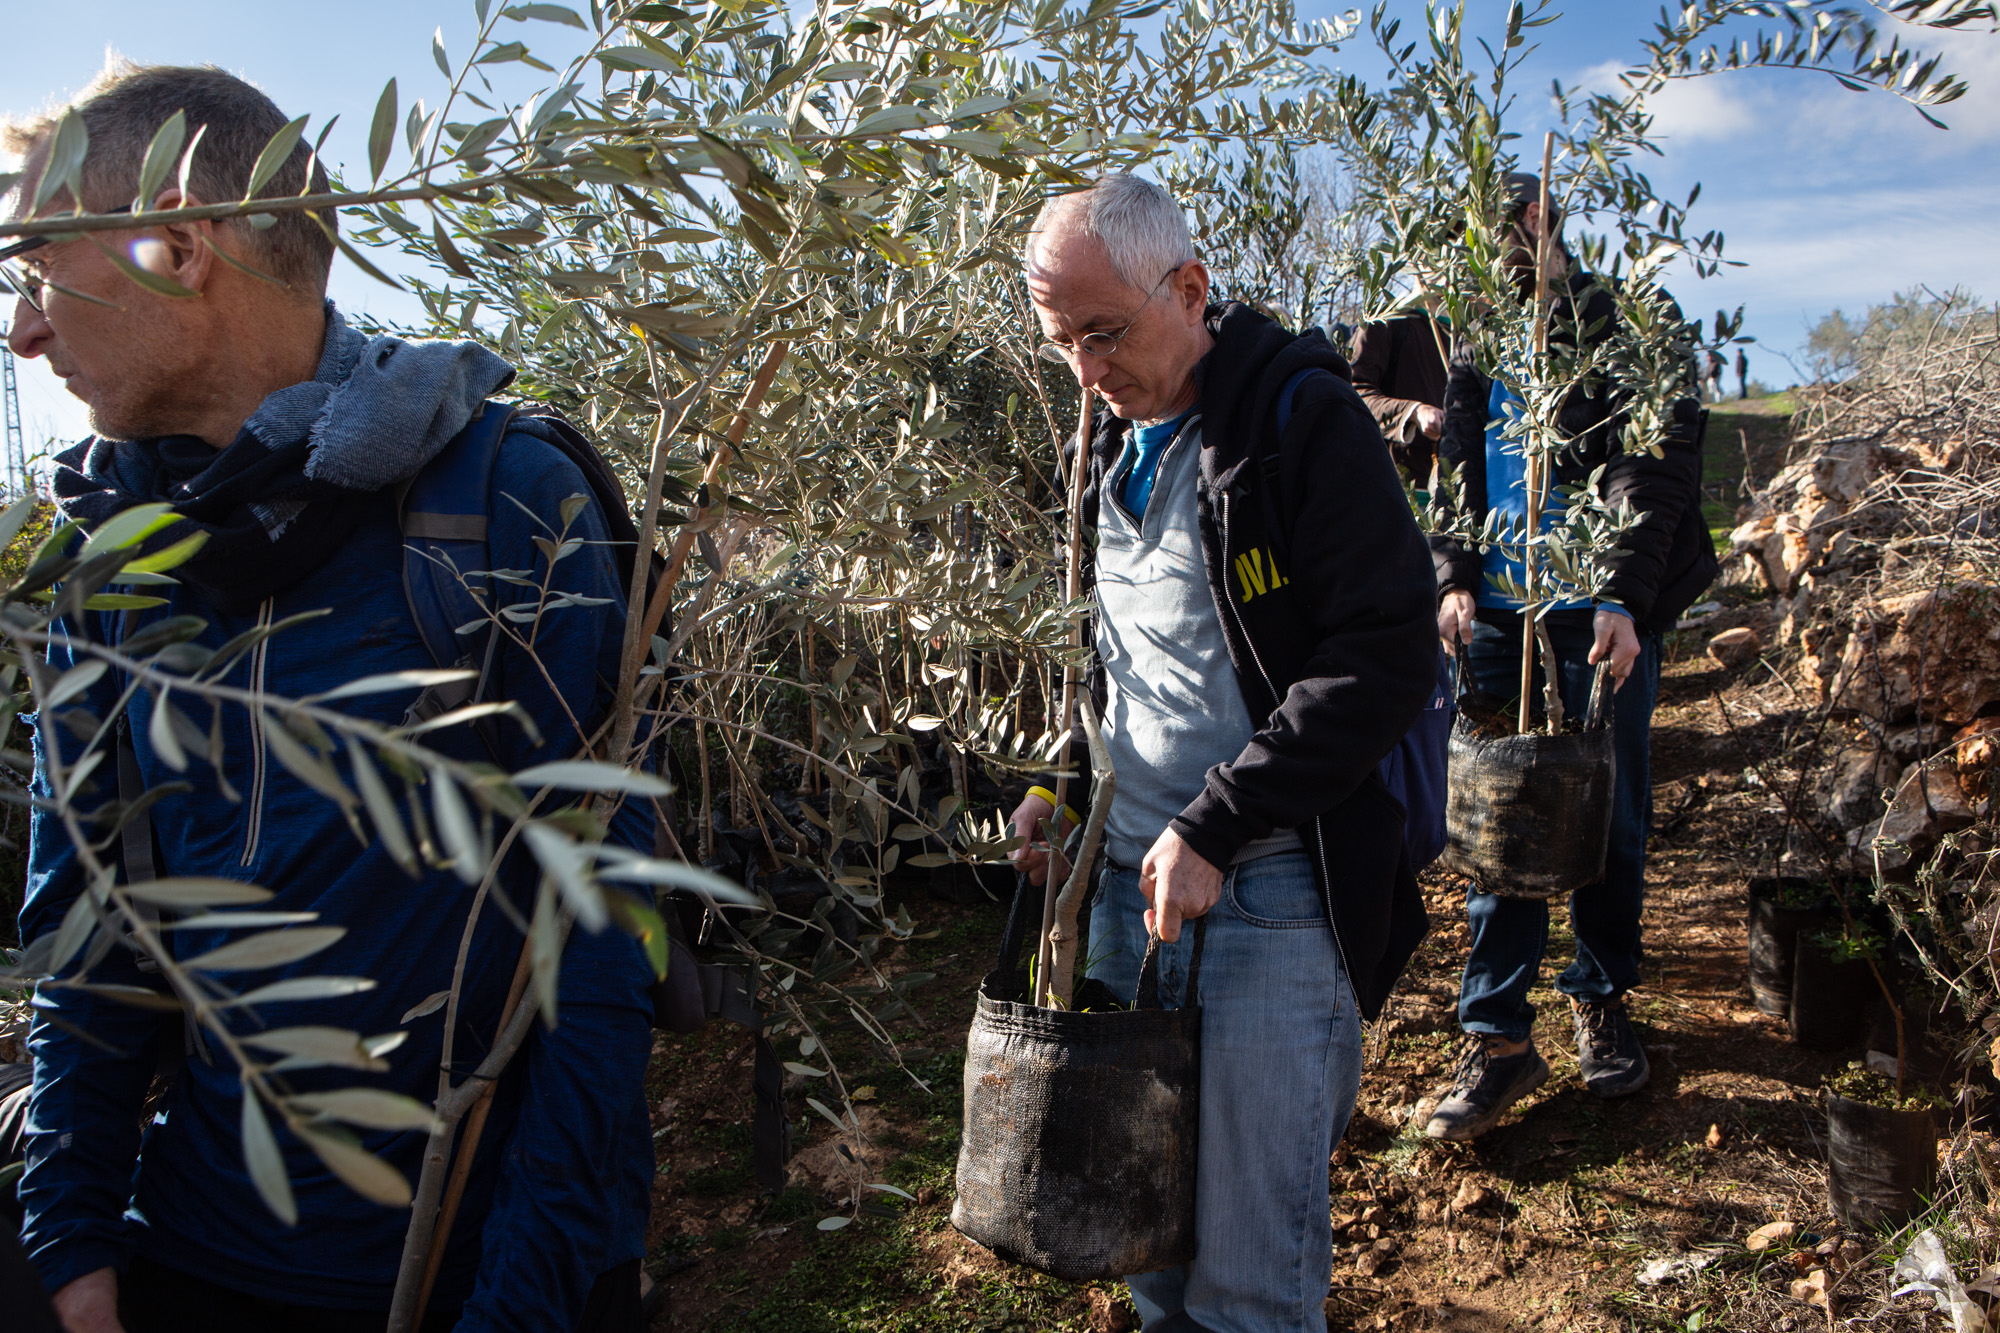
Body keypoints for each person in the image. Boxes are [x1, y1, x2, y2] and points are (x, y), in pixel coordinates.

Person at [6, 64, 655, 1332]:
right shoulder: (104, 557)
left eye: (36, 267)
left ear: (178, 244)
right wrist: (74, 1244)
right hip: (191, 1257)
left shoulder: (505, 500)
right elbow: (83, 919)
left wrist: (517, 1302)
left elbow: (596, 950)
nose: (23, 328)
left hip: (476, 1270)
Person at [1009, 174, 1436, 1332]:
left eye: (1103, 332)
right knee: (1147, 1244)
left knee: (1248, 1282)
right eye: (1062, 344)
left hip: (1268, 894)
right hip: (1130, 891)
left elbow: (1385, 657)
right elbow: (1117, 662)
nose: (1086, 370)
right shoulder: (1110, 448)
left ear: (1189, 289)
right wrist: (1064, 784)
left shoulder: (1300, 419)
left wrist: (1213, 820)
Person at [1422, 173, 1716, 1142]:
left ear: (1539, 225)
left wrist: (1624, 596)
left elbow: (1655, 464)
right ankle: (1496, 1031)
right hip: (1499, 613)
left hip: (1596, 612)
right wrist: (1452, 573)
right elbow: (1456, 464)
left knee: (1610, 809)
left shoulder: (1622, 318)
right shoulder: (1476, 339)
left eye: (1500, 237)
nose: (1489, 260)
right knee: (1493, 819)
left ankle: (1599, 995)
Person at [1351, 310, 1449, 487]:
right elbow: (1353, 394)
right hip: (1398, 490)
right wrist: (1413, 412)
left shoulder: (1470, 332)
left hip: (1454, 493)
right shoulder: (1387, 320)